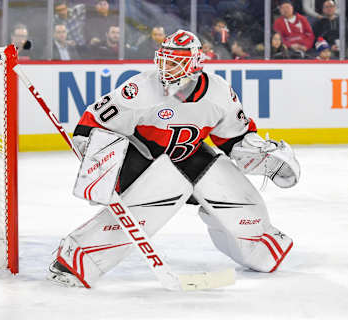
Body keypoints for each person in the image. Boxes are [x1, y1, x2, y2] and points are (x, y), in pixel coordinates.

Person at [47, 29, 300, 288]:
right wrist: (99, 163)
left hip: (188, 157)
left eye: (174, 61)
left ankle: (261, 248)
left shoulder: (219, 94)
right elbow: (93, 124)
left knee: (235, 195)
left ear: (194, 64)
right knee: (157, 196)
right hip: (141, 163)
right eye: (164, 59)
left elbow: (234, 137)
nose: (166, 67)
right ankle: (76, 259)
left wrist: (259, 154)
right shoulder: (141, 89)